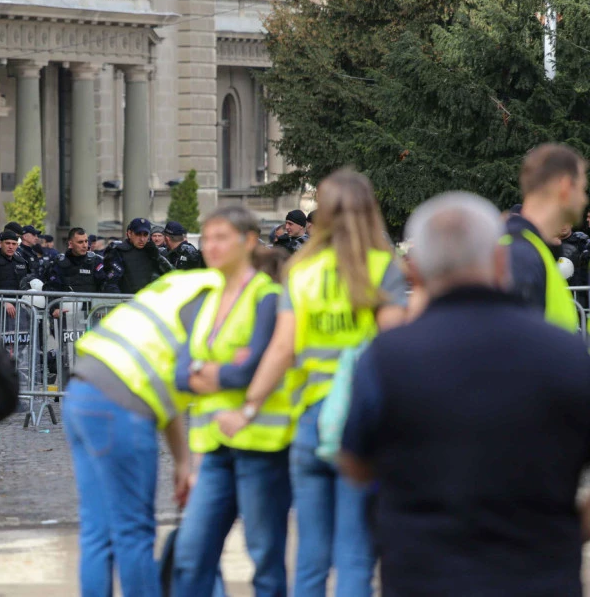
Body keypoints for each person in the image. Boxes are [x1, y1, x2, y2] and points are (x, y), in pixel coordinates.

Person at [341, 192, 590, 597]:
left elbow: (354, 462)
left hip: (423, 576)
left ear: (415, 272)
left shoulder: (387, 358)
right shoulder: (565, 354)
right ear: (499, 260)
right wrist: (567, 529)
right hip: (538, 574)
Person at [217, 169, 408, 597]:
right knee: (355, 554)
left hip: (310, 421)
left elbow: (282, 349)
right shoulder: (382, 268)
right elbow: (394, 352)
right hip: (360, 423)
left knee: (310, 555)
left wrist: (249, 407)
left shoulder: (301, 270)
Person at [67, 268, 223, 597]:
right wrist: (193, 463)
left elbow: (166, 393)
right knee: (134, 532)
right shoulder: (220, 299)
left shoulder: (182, 283)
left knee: (97, 532)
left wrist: (182, 461)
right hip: (121, 404)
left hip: (81, 390)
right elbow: (198, 384)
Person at [172, 207, 293, 597]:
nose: (211, 246)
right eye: (206, 238)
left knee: (265, 560)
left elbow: (249, 370)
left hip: (259, 445)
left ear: (249, 241)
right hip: (213, 447)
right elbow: (180, 375)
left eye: (222, 237)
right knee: (191, 556)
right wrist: (219, 368)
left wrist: (206, 370)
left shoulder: (266, 296)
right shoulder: (206, 299)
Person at [504, 143, 587, 331]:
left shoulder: (533, 249)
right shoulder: (521, 256)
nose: (584, 199)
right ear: (565, 187)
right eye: (582, 189)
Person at [103, 218, 173, 294]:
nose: (142, 239)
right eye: (138, 234)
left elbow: (172, 275)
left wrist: (157, 257)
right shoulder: (118, 252)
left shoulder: (152, 251)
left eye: (145, 235)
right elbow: (112, 284)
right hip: (126, 299)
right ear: (130, 234)